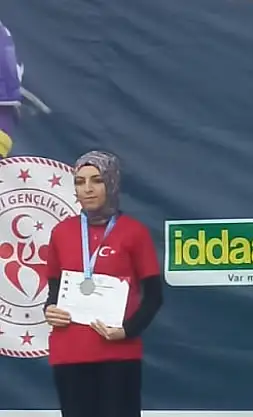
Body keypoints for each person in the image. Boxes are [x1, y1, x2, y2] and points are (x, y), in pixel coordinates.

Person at [43, 150, 164, 417]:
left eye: (96, 180)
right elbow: (54, 290)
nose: (87, 189)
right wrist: (50, 310)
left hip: (118, 356)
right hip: (69, 354)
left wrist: (127, 331)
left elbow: (154, 296)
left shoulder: (134, 232)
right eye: (80, 182)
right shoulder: (61, 232)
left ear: (111, 182)